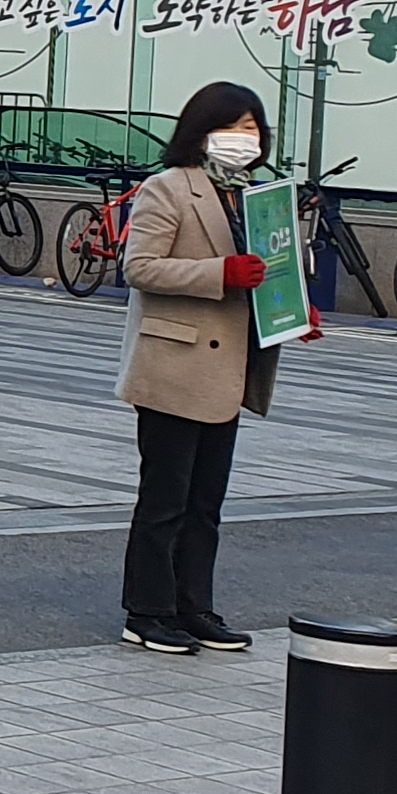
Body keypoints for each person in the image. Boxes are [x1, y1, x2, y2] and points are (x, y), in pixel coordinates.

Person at [115, 83, 286, 654]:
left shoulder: (256, 198)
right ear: (201, 129)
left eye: (254, 128)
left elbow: (273, 274)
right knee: (165, 498)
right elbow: (139, 267)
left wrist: (291, 309)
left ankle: (195, 605)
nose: (246, 139)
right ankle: (147, 610)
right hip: (174, 362)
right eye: (234, 127)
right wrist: (219, 273)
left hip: (231, 367)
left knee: (206, 502)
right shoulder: (169, 189)